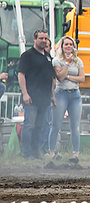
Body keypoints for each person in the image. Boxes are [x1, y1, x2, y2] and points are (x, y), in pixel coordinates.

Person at [17, 29, 56, 159]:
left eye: (45, 38)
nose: (44, 41)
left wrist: (52, 96)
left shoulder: (48, 56)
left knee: (39, 127)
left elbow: (51, 78)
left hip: (44, 98)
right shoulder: (27, 55)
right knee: (29, 125)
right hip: (32, 97)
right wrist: (25, 94)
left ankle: (36, 152)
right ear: (35, 39)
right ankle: (26, 154)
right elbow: (21, 75)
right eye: (41, 38)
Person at [49, 36, 84, 163]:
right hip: (61, 93)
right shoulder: (57, 61)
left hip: (75, 94)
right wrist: (67, 64)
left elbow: (82, 78)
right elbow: (60, 78)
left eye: (70, 44)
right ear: (62, 46)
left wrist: (68, 75)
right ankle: (52, 152)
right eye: (66, 44)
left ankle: (76, 154)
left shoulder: (78, 61)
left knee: (75, 126)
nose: (68, 46)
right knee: (56, 125)